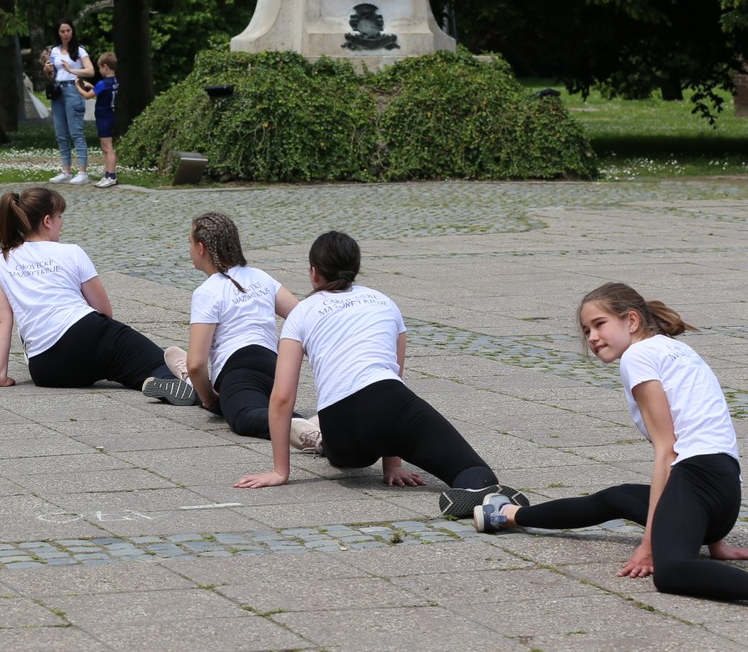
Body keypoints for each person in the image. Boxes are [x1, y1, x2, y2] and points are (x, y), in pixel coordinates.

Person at [474, 283, 748, 600]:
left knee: (671, 570)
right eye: (586, 330)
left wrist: (649, 545)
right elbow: (704, 432)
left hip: (698, 478)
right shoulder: (676, 349)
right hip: (723, 494)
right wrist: (716, 544)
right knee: (615, 499)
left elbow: (668, 450)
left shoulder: (639, 356)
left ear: (631, 321)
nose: (591, 337)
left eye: (599, 324)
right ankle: (507, 515)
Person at [234, 231, 525, 519]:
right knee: (475, 471)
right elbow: (395, 373)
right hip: (393, 404)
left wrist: (280, 471)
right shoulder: (385, 303)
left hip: (343, 430)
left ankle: (317, 438)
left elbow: (283, 396)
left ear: (313, 273)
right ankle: (482, 496)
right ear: (355, 268)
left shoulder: (301, 312)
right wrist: (393, 466)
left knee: (342, 458)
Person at [0, 187, 188, 397]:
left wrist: (0, 375)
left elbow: (2, 321)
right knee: (156, 363)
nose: (61, 223)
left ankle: (153, 382)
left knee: (117, 363)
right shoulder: (70, 252)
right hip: (86, 335)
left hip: (45, 368)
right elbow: (103, 310)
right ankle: (182, 384)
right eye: (59, 216)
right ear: (47, 221)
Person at [165, 212, 304, 440]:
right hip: (274, 367)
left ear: (201, 249)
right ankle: (294, 420)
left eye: (189, 243)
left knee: (243, 417)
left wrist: (209, 399)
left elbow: (197, 364)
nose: (189, 249)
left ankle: (307, 428)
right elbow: (303, 316)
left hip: (236, 370)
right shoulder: (260, 276)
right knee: (261, 404)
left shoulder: (207, 292)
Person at [42, 21, 93, 184]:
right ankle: (66, 170)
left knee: (76, 132)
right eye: (62, 31)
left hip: (73, 89)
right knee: (61, 134)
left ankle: (83, 172)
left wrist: (72, 70)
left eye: (68, 30)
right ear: (58, 33)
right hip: (58, 91)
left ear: (72, 31)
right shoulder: (55, 51)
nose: (65, 33)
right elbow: (53, 75)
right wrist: (47, 72)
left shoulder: (79, 50)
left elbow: (90, 71)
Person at [77, 52, 119, 188]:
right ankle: (107, 174)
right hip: (108, 114)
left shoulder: (102, 83)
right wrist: (92, 86)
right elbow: (101, 92)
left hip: (104, 116)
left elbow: (87, 96)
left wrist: (78, 85)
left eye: (99, 68)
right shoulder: (114, 81)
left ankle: (112, 176)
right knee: (104, 147)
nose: (99, 71)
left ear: (104, 66)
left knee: (108, 147)